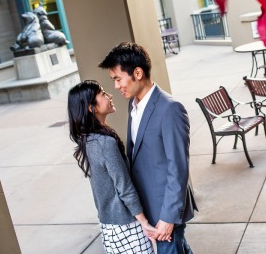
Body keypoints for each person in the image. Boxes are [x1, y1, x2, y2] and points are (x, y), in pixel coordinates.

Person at [99, 42, 197, 254]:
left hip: (166, 211)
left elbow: (178, 168)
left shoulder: (170, 109)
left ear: (137, 72)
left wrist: (168, 218)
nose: (116, 86)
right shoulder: (132, 105)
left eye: (118, 79)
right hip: (148, 205)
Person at [67, 80, 162, 254]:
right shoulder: (104, 143)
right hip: (126, 227)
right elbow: (124, 187)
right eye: (103, 94)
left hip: (109, 227)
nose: (109, 95)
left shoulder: (88, 139)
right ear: (91, 107)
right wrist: (144, 222)